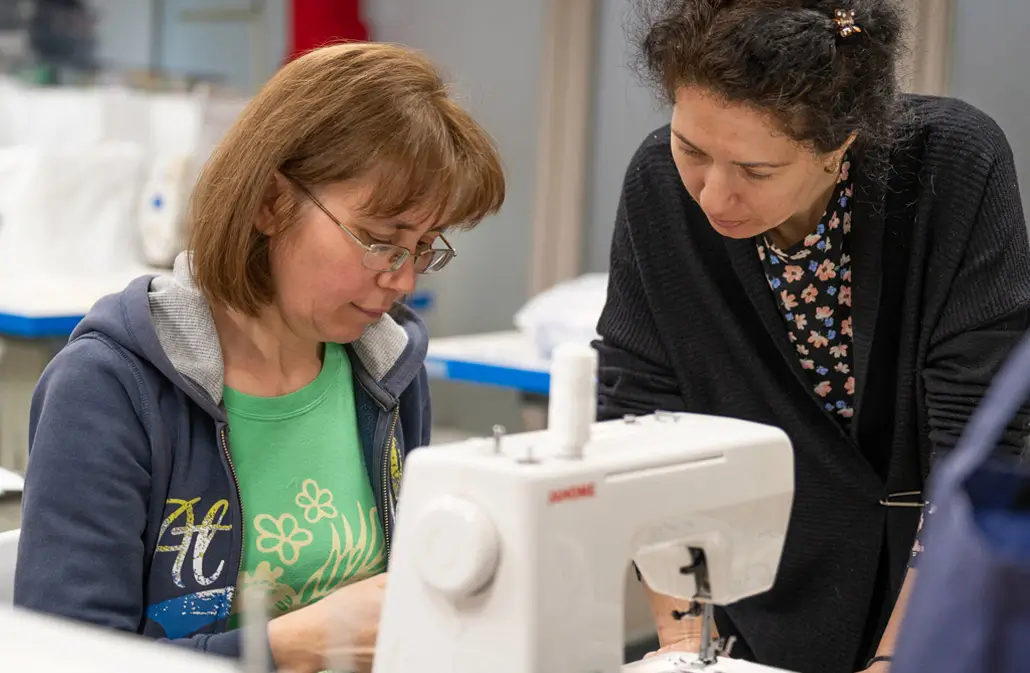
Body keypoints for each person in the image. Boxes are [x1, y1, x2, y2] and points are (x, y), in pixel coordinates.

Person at [14, 42, 505, 673]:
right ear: (271, 203)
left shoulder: (388, 367)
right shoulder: (111, 388)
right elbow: (65, 659)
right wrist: (284, 648)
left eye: (426, 247)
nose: (404, 281)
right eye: (382, 242)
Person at [595, 2, 1030, 672]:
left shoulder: (954, 165)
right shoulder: (659, 183)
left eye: (755, 171)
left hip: (933, 584)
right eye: (692, 149)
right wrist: (684, 648)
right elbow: (642, 415)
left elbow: (972, 449)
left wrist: (896, 660)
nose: (712, 195)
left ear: (839, 146)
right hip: (765, 590)